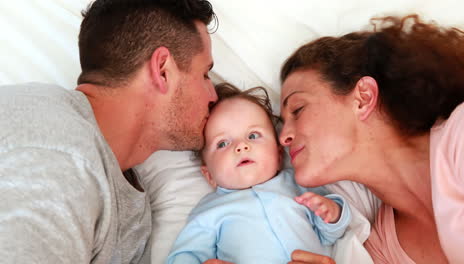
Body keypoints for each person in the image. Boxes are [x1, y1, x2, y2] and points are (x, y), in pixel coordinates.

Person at [0, 0, 218, 263]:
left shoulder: (129, 205)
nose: (213, 95)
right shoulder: (58, 153)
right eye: (205, 74)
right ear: (163, 71)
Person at [279, 14, 464, 264]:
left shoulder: (461, 134)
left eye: (297, 109)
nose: (283, 137)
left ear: (364, 97)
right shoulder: (379, 248)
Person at [166, 83, 352, 264]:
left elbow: (329, 234)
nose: (241, 146)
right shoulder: (210, 210)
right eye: (223, 143)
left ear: (279, 155)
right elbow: (186, 253)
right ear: (209, 176)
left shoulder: (298, 184)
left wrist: (332, 212)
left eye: (253, 135)